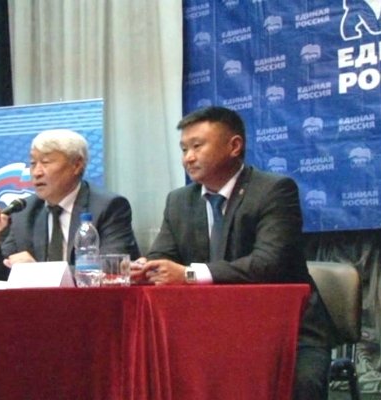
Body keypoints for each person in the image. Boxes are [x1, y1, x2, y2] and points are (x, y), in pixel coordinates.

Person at [132, 106, 336, 400]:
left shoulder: (274, 191)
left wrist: (188, 274)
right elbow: (163, 255)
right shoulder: (179, 201)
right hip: (208, 329)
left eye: (197, 146)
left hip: (284, 329)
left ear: (234, 146)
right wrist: (146, 267)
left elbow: (268, 264)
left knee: (301, 386)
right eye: (184, 149)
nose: (188, 157)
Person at [0, 129, 140, 281]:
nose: (36, 172)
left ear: (76, 165)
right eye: (33, 163)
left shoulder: (108, 206)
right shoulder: (25, 211)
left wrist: (39, 271)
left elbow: (113, 267)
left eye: (46, 162)